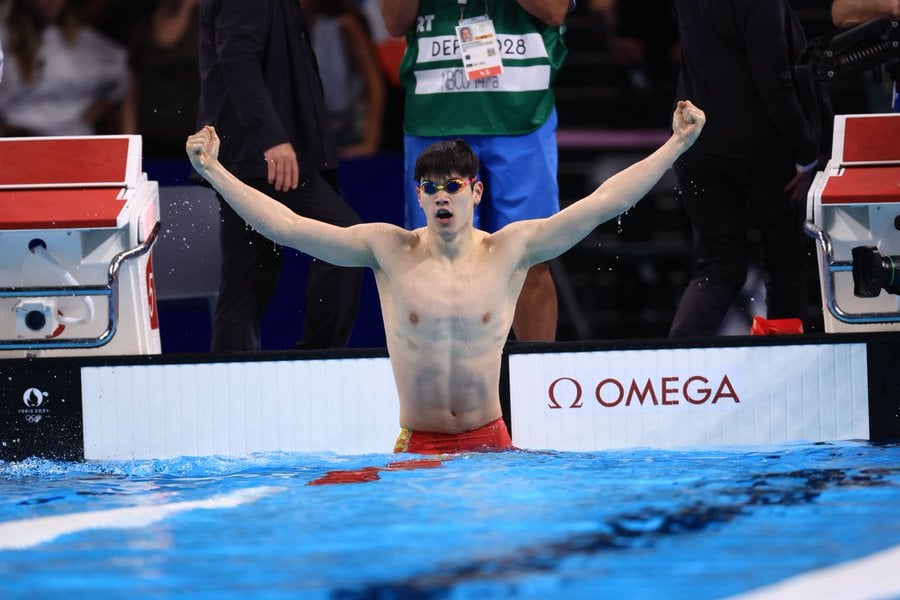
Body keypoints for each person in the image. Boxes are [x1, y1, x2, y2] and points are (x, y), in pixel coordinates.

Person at [187, 100, 707, 454]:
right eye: (430, 186)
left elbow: (601, 204)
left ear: (475, 193)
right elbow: (290, 226)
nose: (442, 195)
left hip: (493, 443)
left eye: (453, 185)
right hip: (420, 448)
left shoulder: (512, 249)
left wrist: (677, 145)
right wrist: (214, 171)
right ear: (418, 196)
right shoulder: (389, 249)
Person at [380, 0, 571, 343]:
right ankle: (451, 391)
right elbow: (395, 21)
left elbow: (554, 10)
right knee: (436, 262)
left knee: (529, 260)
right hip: (436, 112)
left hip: (521, 114)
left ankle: (534, 385)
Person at [197, 0, 364, 352]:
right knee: (345, 240)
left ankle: (230, 373)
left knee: (248, 275)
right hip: (261, 156)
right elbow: (237, 61)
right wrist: (270, 137)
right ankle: (319, 357)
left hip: (254, 153)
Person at [667, 0, 830, 338]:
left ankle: (677, 363)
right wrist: (805, 151)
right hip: (764, 147)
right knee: (784, 262)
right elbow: (773, 78)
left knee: (717, 264)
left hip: (697, 142)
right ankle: (787, 366)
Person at [0, 0, 130, 136]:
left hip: (74, 140)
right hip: (15, 138)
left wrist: (100, 110)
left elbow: (124, 81)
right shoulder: (4, 38)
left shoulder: (88, 43)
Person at [301, 0, 386, 158]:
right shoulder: (283, 28)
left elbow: (374, 82)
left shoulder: (344, 24)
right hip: (305, 132)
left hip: (347, 130)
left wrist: (370, 142)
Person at [122, 0, 201, 159]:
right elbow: (132, 93)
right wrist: (129, 148)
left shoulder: (208, 16)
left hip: (196, 141)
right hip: (151, 138)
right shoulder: (141, 22)